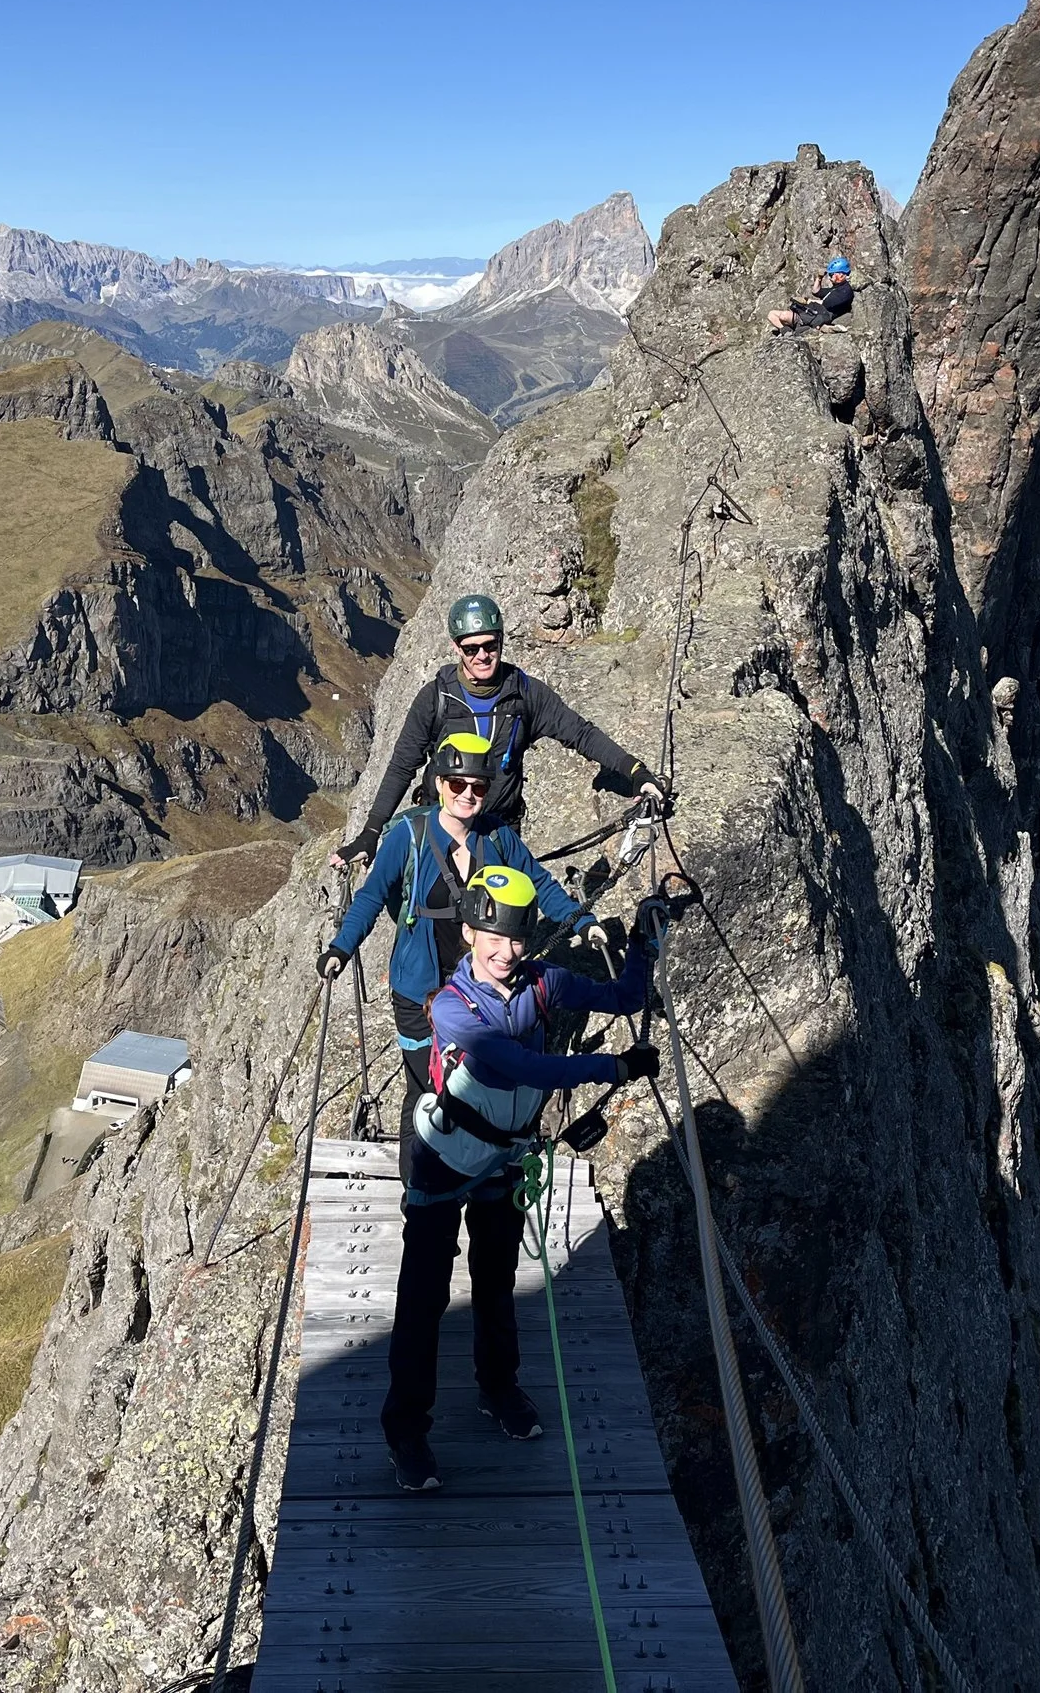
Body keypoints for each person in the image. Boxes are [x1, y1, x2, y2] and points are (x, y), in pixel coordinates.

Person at [378, 864, 660, 1492]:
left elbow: (622, 998)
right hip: (441, 1160)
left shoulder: (541, 983)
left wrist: (641, 941)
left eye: (517, 937)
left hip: (499, 1156)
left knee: (496, 1278)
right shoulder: (451, 1011)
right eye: (492, 936)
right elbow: (520, 1066)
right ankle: (406, 1429)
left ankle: (498, 1388)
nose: (506, 951)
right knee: (422, 1295)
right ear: (471, 931)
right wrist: (612, 1065)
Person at [321, 732, 590, 1157]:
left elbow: (538, 884)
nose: (467, 793)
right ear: (440, 783)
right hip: (418, 990)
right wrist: (341, 948)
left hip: (480, 991)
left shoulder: (499, 839)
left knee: (477, 1085)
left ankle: (470, 1176)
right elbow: (372, 896)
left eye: (478, 786)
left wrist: (581, 922)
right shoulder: (409, 836)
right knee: (428, 1086)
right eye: (457, 783)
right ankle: (421, 1190)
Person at [331, 593, 664, 864]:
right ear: (456, 647)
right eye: (471, 648)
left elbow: (581, 734)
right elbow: (402, 766)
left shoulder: (525, 694)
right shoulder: (436, 699)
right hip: (442, 830)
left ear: (502, 641)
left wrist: (635, 772)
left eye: (490, 645)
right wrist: (371, 832)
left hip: (499, 833)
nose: (482, 655)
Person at [766, 255, 855, 332]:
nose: (830, 278)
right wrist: (819, 278)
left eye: (832, 275)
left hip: (816, 316)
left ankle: (798, 328)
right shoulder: (835, 289)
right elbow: (816, 291)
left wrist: (807, 301)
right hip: (810, 312)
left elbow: (826, 304)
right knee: (771, 314)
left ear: (841, 274)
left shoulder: (845, 291)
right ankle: (786, 331)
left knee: (784, 316)